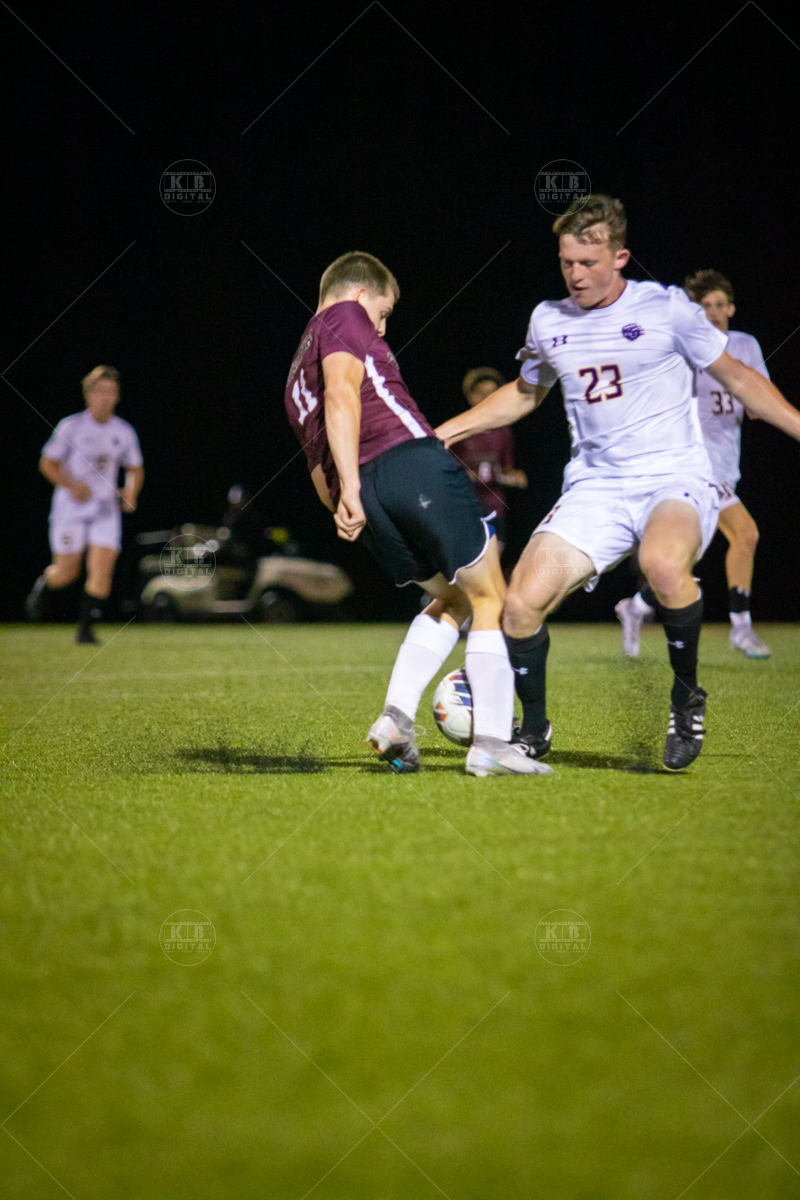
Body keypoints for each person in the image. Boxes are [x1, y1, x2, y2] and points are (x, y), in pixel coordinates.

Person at [436, 195, 800, 771]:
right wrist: (444, 433)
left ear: (620, 257)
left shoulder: (668, 309)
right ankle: (534, 728)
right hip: (596, 489)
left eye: (588, 262)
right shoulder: (549, 319)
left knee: (662, 565)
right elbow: (525, 393)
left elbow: (738, 377)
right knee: (520, 606)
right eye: (567, 263)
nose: (576, 274)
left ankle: (686, 698)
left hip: (674, 477)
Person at [284, 251, 550, 777]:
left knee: (452, 598)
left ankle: (396, 721)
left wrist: (347, 500)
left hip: (362, 493)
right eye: (383, 313)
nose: (381, 327)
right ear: (360, 293)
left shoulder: (294, 374)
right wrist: (354, 484)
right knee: (490, 595)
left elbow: (318, 464)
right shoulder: (345, 315)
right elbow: (343, 392)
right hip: (408, 462)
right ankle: (493, 743)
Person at [616, 270, 772, 658]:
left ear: (731, 308)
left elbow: (758, 403)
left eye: (720, 304)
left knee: (687, 556)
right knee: (746, 534)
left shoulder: (745, 345)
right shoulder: (688, 346)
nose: (714, 312)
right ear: (696, 312)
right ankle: (741, 628)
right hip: (694, 465)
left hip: (727, 465)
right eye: (706, 306)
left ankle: (636, 607)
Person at [25, 365, 144, 644]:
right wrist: (71, 485)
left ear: (117, 396)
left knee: (102, 570)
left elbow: (135, 467)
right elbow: (48, 463)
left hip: (105, 509)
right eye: (100, 391)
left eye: (111, 391)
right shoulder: (71, 426)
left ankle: (85, 630)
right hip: (71, 508)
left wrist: (130, 491)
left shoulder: (123, 431)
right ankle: (45, 583)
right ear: (88, 394)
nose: (106, 397)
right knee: (67, 572)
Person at [452, 367, 528, 548]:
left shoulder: (504, 431)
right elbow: (443, 470)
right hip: (463, 507)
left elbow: (506, 470)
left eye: (492, 393)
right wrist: (466, 476)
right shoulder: (458, 428)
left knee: (493, 556)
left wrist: (513, 477)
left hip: (494, 508)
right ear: (470, 396)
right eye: (481, 393)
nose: (487, 399)